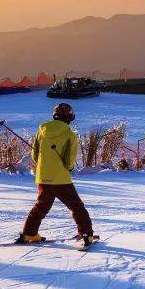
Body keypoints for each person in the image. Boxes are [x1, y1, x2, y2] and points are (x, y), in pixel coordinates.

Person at [15, 102, 98, 248]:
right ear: (70, 117)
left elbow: (34, 156)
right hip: (60, 179)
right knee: (76, 206)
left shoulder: (42, 130)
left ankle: (29, 233)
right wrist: (68, 167)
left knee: (42, 205)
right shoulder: (70, 135)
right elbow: (69, 162)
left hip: (42, 176)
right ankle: (86, 235)